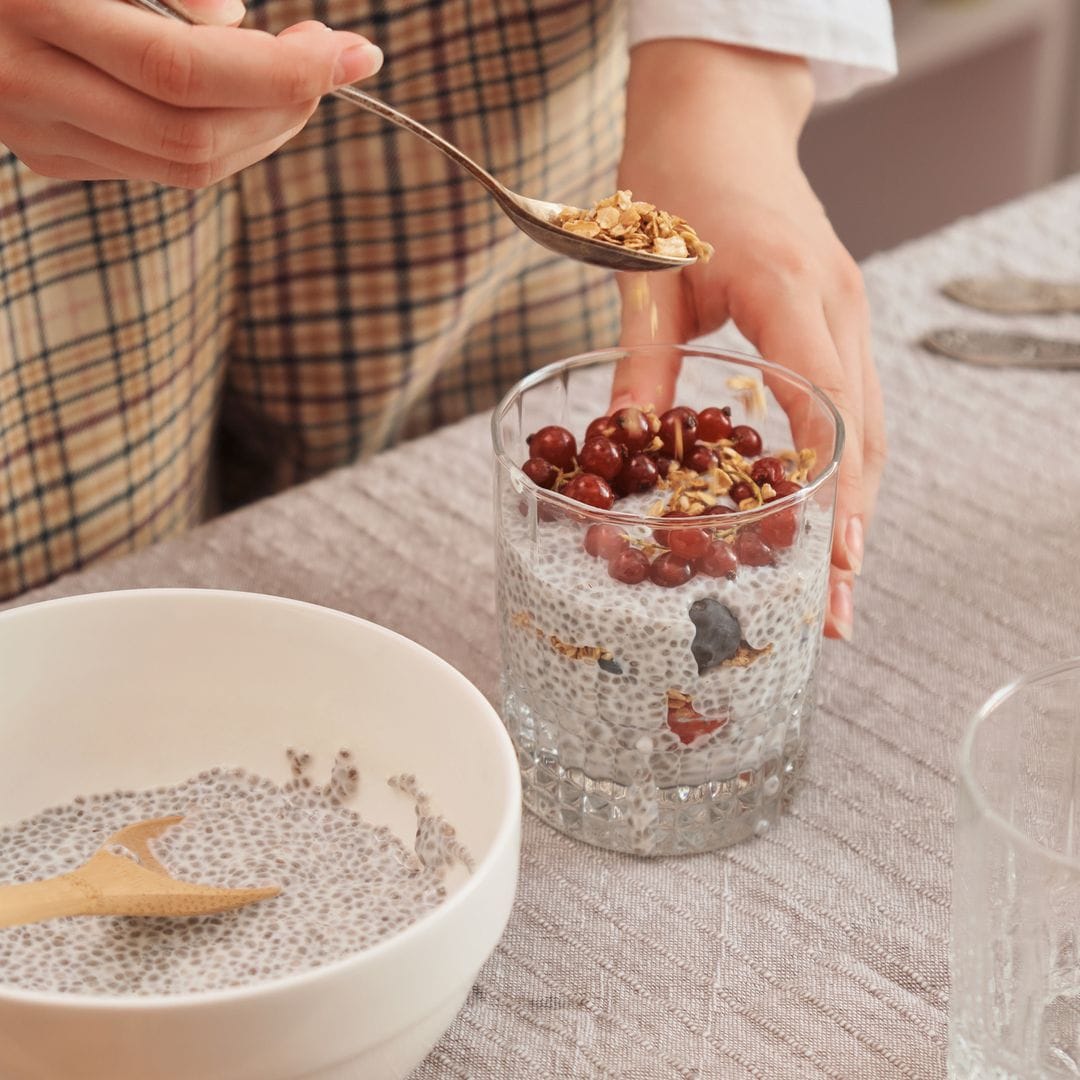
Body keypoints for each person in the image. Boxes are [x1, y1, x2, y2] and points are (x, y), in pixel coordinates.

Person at [0, 0, 894, 637]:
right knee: (79, 652)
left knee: (449, 576)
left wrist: (722, 68)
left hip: (485, 56)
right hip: (35, 209)